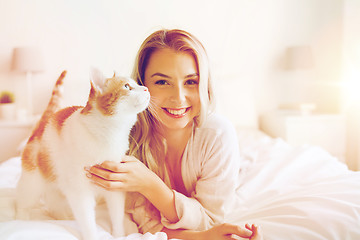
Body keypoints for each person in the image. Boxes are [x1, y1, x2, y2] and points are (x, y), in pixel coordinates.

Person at [85, 29, 262, 240]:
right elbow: (149, 225)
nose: (178, 98)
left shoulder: (218, 135)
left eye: (191, 82)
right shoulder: (127, 141)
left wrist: (149, 184)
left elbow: (211, 220)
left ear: (204, 85)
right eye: (162, 82)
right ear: (142, 86)